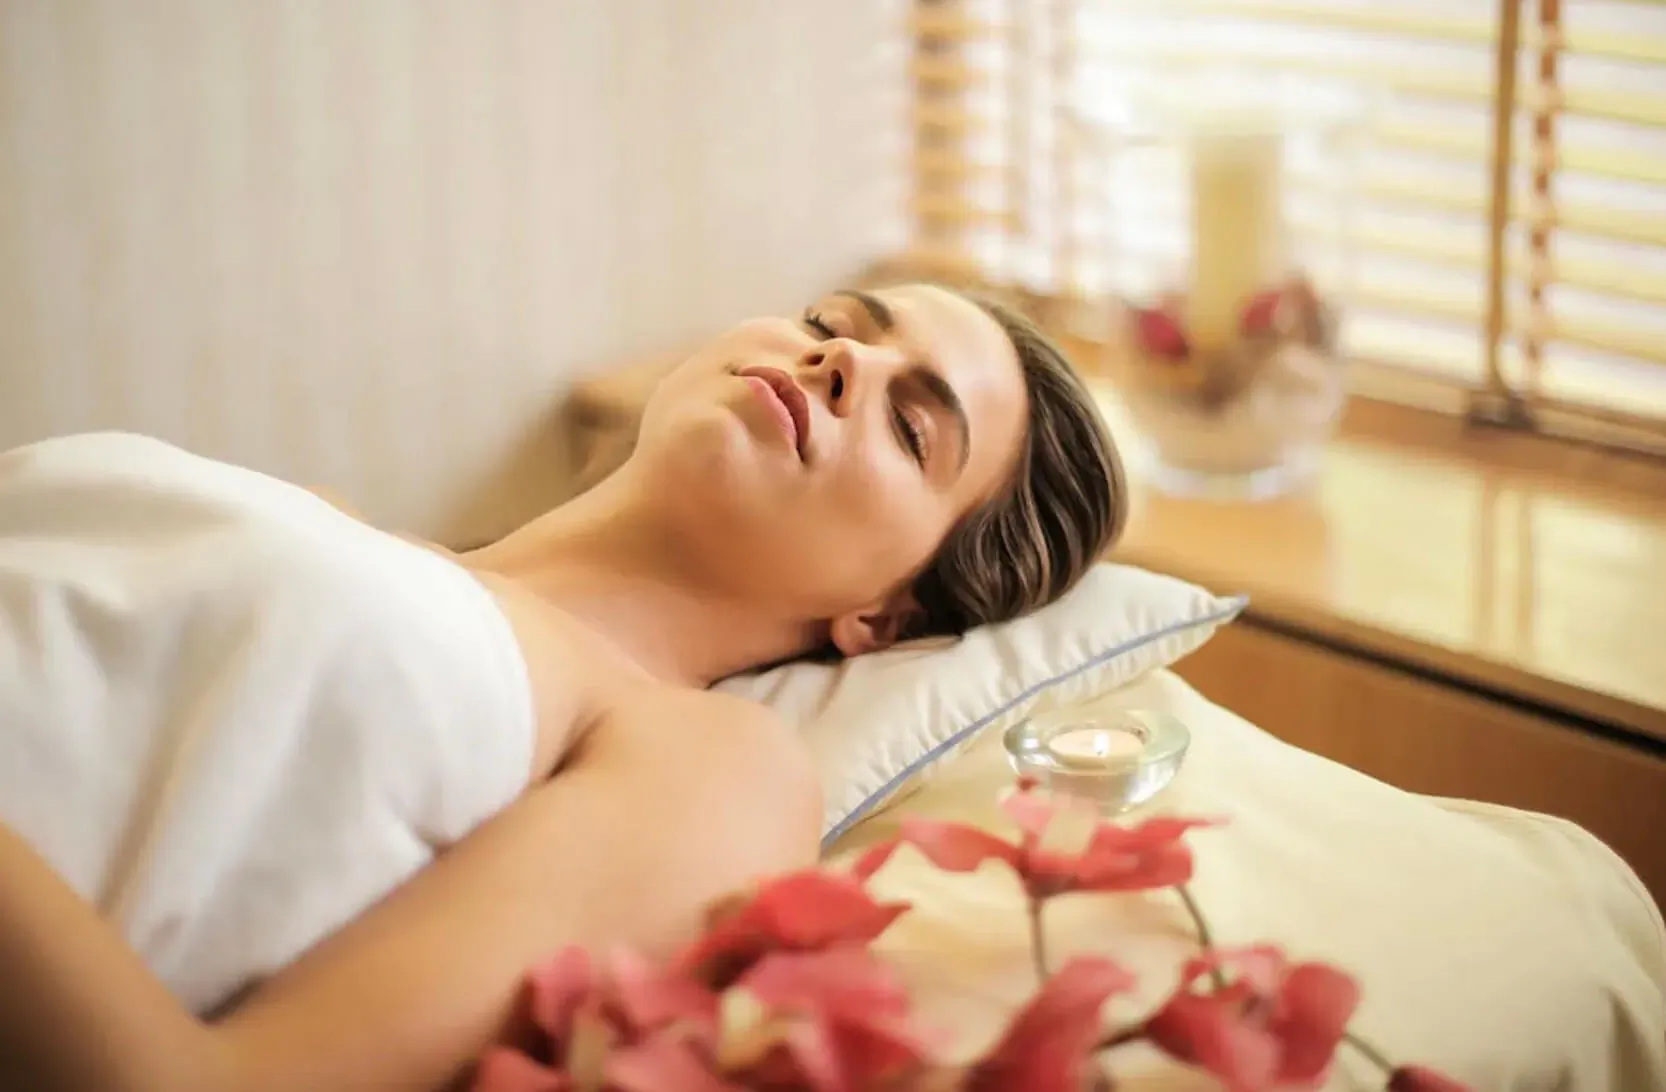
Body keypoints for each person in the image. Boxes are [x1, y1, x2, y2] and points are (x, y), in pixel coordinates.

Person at [0, 282, 1126, 1092]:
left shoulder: (703, 760)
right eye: (834, 324)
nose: (841, 363)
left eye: (910, 422)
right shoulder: (323, 517)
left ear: (885, 618)